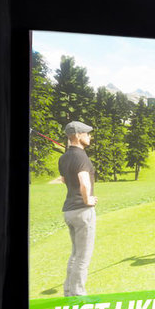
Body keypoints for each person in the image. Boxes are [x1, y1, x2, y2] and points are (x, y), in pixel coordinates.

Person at [59, 120, 97, 296]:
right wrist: (88, 199)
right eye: (87, 134)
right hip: (82, 211)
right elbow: (83, 181)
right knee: (83, 256)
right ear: (78, 135)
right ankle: (78, 296)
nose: (89, 136)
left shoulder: (63, 158)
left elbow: (64, 180)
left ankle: (69, 291)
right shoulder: (81, 157)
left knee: (75, 254)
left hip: (69, 210)